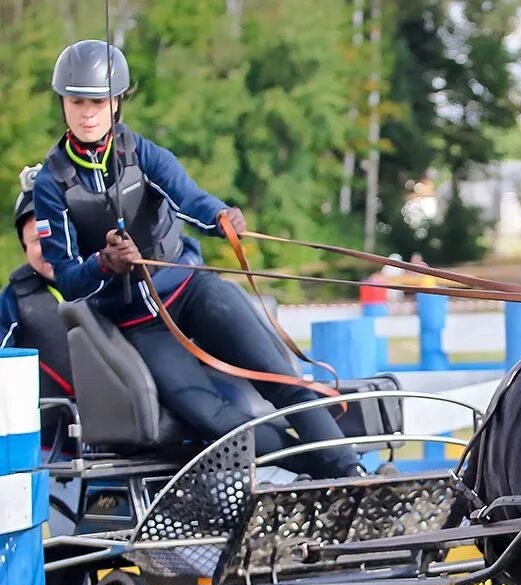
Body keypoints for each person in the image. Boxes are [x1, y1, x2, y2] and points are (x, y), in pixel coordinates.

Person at [33, 40, 363, 479]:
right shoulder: (49, 184)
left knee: (280, 378)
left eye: (98, 101)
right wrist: (103, 265)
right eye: (77, 101)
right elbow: (69, 282)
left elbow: (190, 199)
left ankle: (353, 473)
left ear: (117, 103)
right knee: (211, 417)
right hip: (141, 325)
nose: (88, 112)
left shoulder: (142, 153)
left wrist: (221, 217)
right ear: (63, 103)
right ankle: (319, 474)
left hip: (192, 290)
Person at [1, 164, 76, 454]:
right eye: (36, 241)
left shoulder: (112, 283)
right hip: (48, 452)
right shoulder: (12, 301)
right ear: (23, 247)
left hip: (124, 445)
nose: (49, 248)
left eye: (55, 235)